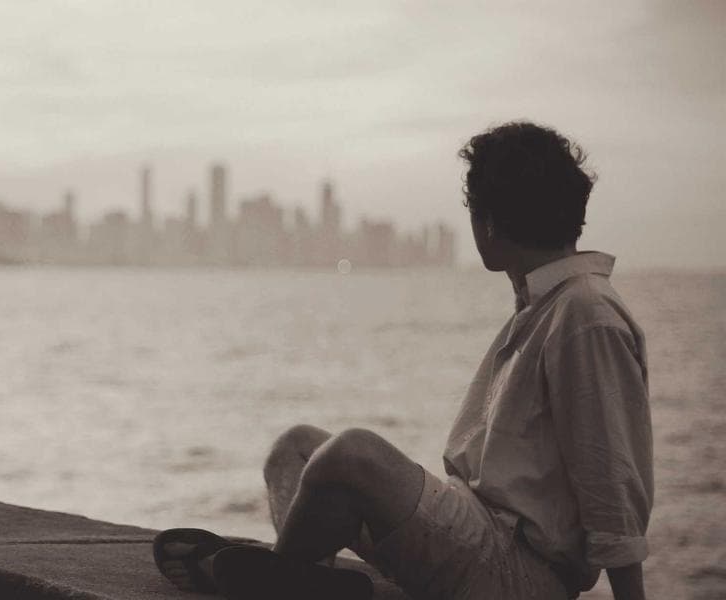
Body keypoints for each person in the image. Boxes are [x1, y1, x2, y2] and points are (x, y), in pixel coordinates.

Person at [154, 121, 653, 600]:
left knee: (352, 452)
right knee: (296, 450)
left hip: (519, 575)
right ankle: (302, 582)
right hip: (476, 536)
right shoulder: (545, 304)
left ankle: (276, 581)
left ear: (488, 224)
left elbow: (610, 485)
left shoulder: (583, 313)